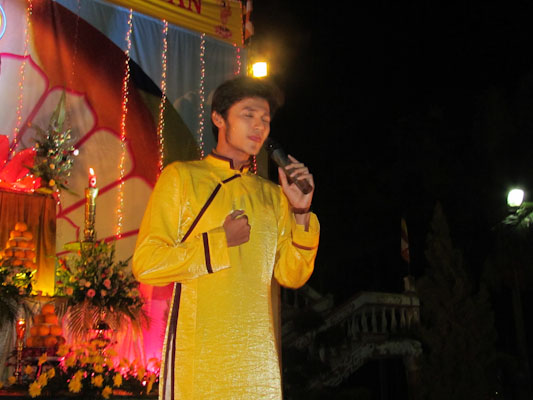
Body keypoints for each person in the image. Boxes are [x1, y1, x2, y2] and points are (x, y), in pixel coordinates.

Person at [133, 76, 320, 399]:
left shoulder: (274, 196)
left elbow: (293, 275)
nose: (259, 126)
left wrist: (301, 212)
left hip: (257, 364)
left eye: (265, 120)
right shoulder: (182, 177)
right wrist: (219, 241)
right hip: (199, 358)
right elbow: (147, 263)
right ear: (219, 118)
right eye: (248, 115)